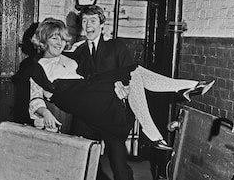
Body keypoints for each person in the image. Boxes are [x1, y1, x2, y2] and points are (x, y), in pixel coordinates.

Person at [28, 17, 215, 180]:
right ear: (44, 40)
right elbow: (35, 99)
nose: (59, 42)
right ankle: (180, 93)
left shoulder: (71, 56)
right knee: (83, 164)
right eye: (54, 38)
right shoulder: (37, 67)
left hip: (96, 99)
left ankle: (182, 90)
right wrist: (45, 112)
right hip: (75, 100)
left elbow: (91, 75)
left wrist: (119, 87)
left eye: (62, 38)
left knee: (135, 73)